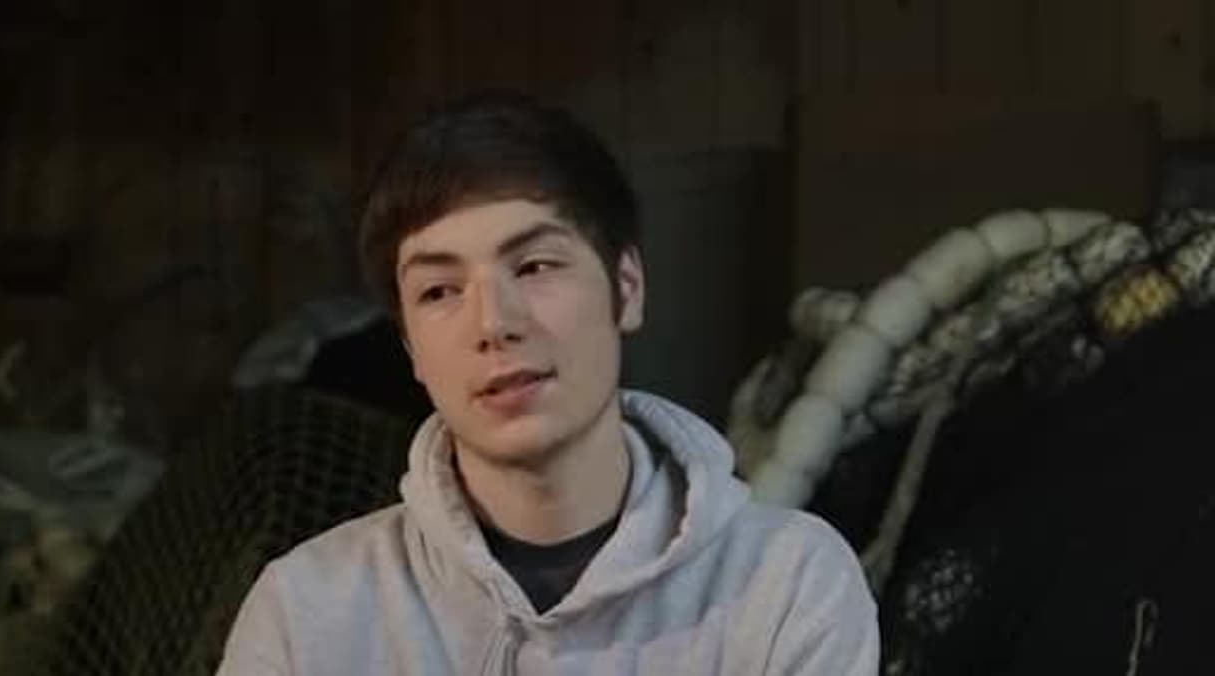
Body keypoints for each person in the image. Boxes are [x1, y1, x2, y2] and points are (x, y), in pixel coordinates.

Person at [217, 93, 878, 675]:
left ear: (627, 288)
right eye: (440, 290)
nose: (494, 324)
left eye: (534, 266)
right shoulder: (308, 610)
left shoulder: (784, 582)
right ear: (411, 348)